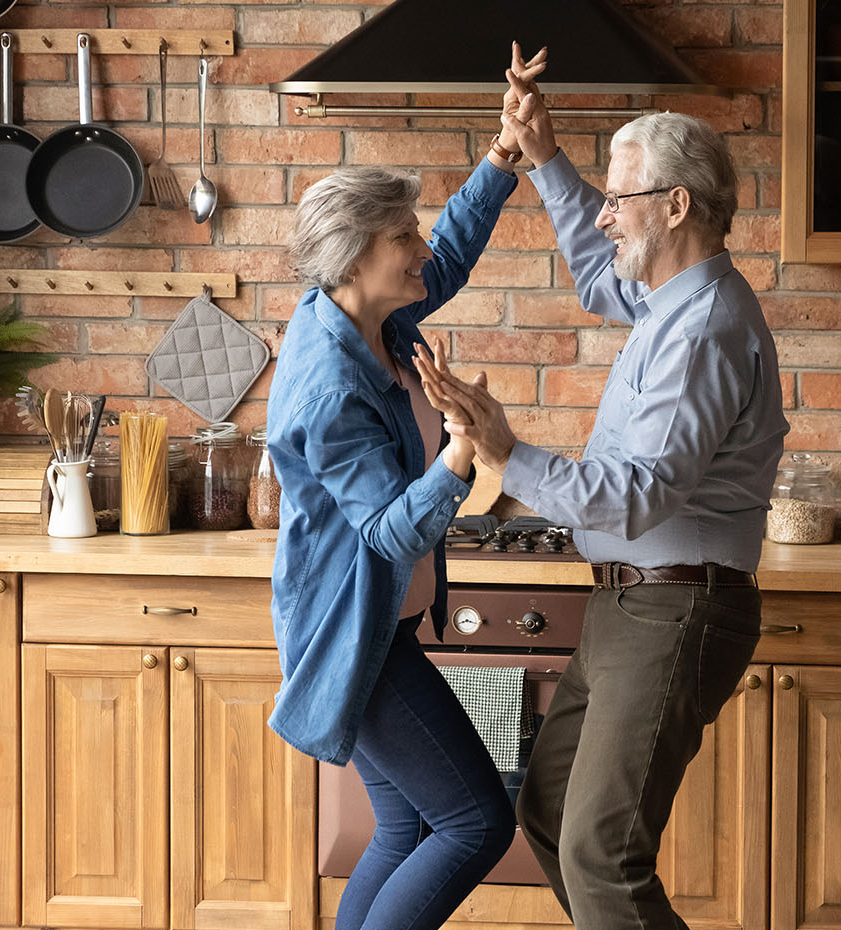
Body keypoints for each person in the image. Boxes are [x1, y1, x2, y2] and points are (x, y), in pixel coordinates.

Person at [417, 49, 788, 930]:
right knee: (548, 814)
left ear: (676, 205)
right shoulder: (667, 298)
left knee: (599, 852)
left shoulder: (701, 331)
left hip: (677, 607)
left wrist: (506, 449)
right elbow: (598, 271)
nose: (606, 214)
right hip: (633, 607)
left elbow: (635, 498)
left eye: (620, 200)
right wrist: (543, 156)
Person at [264, 48, 545, 930]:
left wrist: (504, 157)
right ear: (355, 257)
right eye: (402, 239)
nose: (420, 250)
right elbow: (386, 531)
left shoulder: (363, 320)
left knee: (405, 823)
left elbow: (448, 259)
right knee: (475, 821)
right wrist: (461, 453)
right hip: (352, 634)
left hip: (374, 623)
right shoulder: (332, 384)